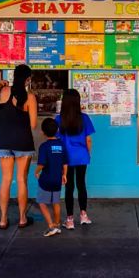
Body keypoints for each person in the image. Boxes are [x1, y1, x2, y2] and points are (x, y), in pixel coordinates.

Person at [0, 64, 37, 230]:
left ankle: (3, 219)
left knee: (5, 180)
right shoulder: (30, 97)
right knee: (21, 180)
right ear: (28, 79)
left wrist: (0, 84)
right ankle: (22, 218)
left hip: (4, 142)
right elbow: (32, 124)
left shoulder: (3, 92)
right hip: (23, 142)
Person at [56, 88, 95, 229]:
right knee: (81, 184)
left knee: (69, 187)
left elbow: (57, 140)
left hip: (66, 157)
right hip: (81, 156)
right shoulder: (84, 118)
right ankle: (84, 215)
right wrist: (87, 153)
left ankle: (70, 219)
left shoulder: (59, 119)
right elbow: (88, 140)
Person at [34, 118, 68, 237]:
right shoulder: (62, 145)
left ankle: (51, 226)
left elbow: (41, 164)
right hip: (57, 179)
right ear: (57, 130)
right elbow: (65, 163)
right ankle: (57, 224)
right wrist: (64, 175)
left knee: (42, 203)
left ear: (43, 132)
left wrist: (36, 172)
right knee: (56, 202)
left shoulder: (44, 146)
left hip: (46, 180)